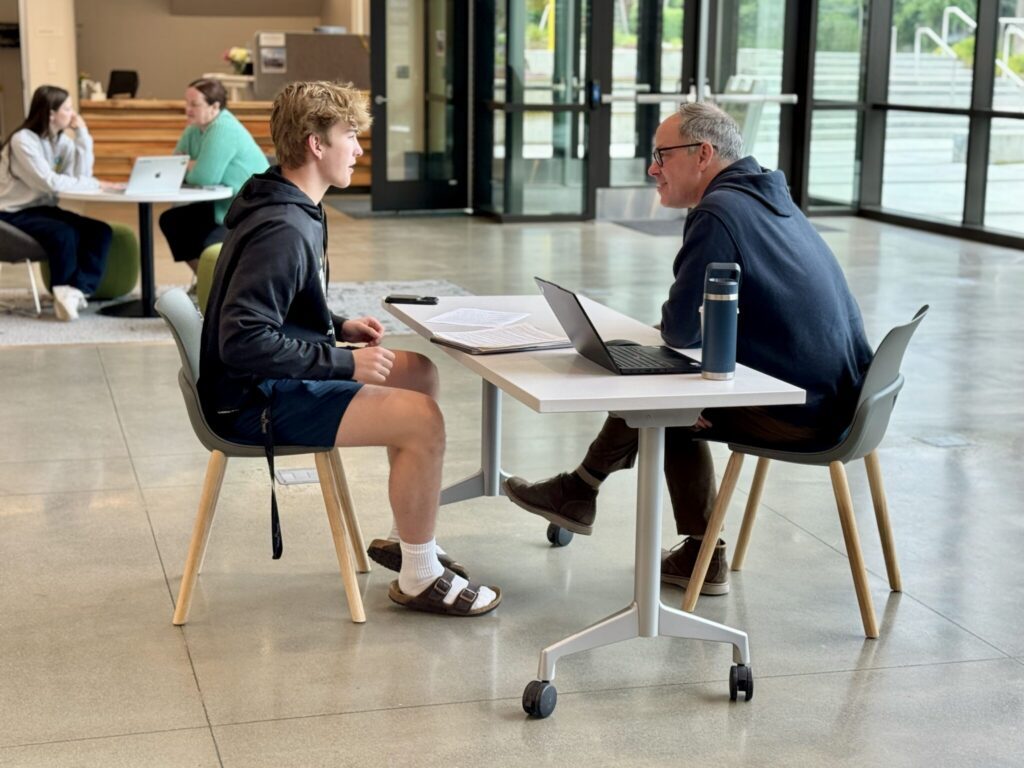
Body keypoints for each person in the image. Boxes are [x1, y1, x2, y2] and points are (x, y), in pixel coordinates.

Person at [503, 102, 873, 596]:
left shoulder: (719, 211)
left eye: (661, 155)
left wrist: (692, 383)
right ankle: (582, 491)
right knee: (670, 389)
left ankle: (657, 530)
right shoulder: (767, 195)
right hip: (845, 396)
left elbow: (679, 331)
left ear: (703, 153)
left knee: (664, 405)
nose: (652, 169)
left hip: (807, 411)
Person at [199, 81, 501, 617]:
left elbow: (276, 308)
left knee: (418, 374)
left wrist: (334, 325)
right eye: (350, 136)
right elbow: (242, 339)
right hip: (252, 403)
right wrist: (341, 359)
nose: (359, 150)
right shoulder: (284, 227)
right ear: (316, 144)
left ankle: (406, 542)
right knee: (423, 420)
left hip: (267, 380)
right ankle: (419, 577)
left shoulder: (287, 201)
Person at [0, 85, 112, 321]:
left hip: (41, 209)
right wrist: (93, 184)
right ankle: (62, 289)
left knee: (100, 231)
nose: (73, 115)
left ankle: (77, 290)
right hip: (11, 212)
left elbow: (80, 176)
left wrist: (83, 136)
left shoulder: (62, 142)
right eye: (68, 109)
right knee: (63, 233)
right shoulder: (23, 141)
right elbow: (49, 182)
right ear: (51, 113)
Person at [158, 78, 268, 278]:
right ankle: (206, 282)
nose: (187, 109)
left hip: (247, 208)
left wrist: (190, 164)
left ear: (215, 106)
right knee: (172, 221)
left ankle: (218, 285)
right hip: (222, 203)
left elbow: (204, 177)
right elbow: (173, 166)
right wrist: (192, 164)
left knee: (204, 240)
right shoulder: (194, 129)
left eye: (194, 104)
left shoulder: (222, 127)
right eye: (186, 103)